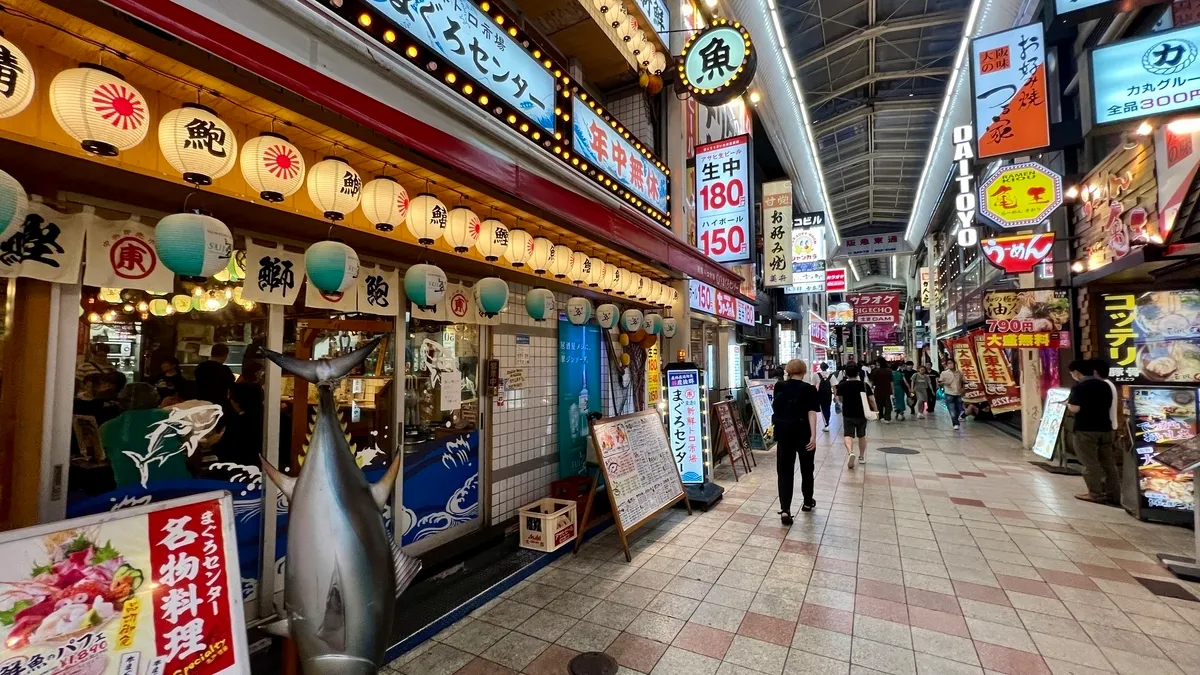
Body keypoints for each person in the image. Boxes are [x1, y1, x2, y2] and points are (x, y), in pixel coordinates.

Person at [101, 383, 193, 487]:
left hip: (131, 495)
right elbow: (193, 450)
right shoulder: (173, 417)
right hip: (178, 488)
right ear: (156, 399)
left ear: (120, 402)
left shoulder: (106, 427)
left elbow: (102, 458)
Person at [771, 360, 820, 523]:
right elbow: (811, 413)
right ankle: (807, 502)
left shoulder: (779, 386)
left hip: (784, 434)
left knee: (784, 471)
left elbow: (776, 408)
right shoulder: (810, 389)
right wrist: (813, 435)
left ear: (789, 371)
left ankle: (785, 509)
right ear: (804, 371)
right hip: (803, 433)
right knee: (807, 469)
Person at [1067, 359, 1120, 505]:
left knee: (1089, 463)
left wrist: (1068, 405)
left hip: (1086, 429)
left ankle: (1095, 493)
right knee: (1108, 463)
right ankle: (1113, 494)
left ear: (1077, 372)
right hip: (1106, 429)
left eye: (1072, 373)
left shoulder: (1080, 387)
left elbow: (1075, 408)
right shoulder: (1106, 385)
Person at [836, 363, 874, 469]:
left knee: (848, 434)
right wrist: (875, 410)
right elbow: (871, 399)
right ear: (858, 373)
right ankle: (861, 456)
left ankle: (850, 452)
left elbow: (840, 399)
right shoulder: (864, 385)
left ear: (846, 373)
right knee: (861, 435)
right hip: (862, 413)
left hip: (848, 413)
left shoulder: (842, 385)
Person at [195, 343, 235, 409]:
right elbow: (231, 384)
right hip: (218, 403)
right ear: (225, 355)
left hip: (202, 402)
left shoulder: (201, 366)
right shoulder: (224, 369)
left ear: (211, 353)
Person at [1091, 358, 1120, 433]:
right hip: (1108, 427)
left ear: (1095, 372)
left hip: (1104, 429)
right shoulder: (1108, 383)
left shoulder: (1102, 385)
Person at [939, 360, 966, 430]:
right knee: (952, 409)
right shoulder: (944, 373)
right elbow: (939, 383)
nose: (950, 364)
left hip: (958, 393)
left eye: (951, 363)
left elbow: (964, 381)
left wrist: (963, 388)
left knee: (959, 409)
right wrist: (944, 383)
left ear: (954, 364)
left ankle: (956, 419)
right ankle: (955, 423)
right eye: (948, 363)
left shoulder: (959, 372)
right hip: (949, 393)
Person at [813, 363, 837, 431]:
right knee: (828, 408)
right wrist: (835, 396)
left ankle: (826, 424)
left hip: (820, 394)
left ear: (820, 367)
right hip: (828, 394)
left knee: (823, 408)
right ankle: (827, 422)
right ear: (827, 367)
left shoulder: (816, 375)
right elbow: (834, 387)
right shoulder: (831, 375)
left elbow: (813, 386)